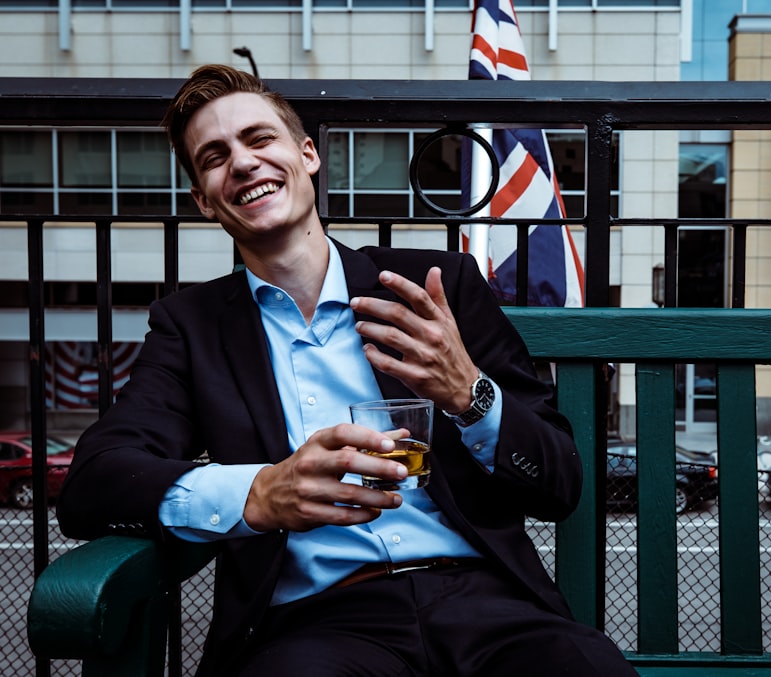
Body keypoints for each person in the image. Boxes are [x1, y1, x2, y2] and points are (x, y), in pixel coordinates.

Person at [57, 64, 636, 677]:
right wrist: (259, 494)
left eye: (260, 140)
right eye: (215, 157)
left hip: (484, 603)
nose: (245, 164)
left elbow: (561, 483)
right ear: (203, 200)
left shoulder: (437, 287)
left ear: (307, 155)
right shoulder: (192, 327)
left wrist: (470, 394)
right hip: (320, 622)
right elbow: (96, 481)